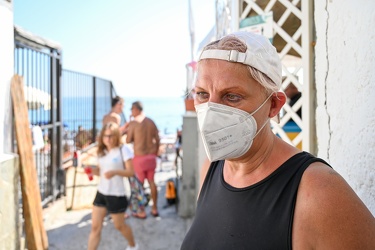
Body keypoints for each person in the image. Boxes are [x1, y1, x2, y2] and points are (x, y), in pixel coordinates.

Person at [180, 31, 375, 249]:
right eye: (202, 95)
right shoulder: (212, 169)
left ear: (273, 105)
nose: (211, 111)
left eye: (232, 97)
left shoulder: (317, 191)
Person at [87, 122, 138, 250]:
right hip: (102, 192)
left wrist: (115, 172)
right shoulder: (101, 151)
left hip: (117, 194)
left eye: (110, 136)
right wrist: (92, 171)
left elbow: (130, 172)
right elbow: (101, 171)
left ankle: (133, 246)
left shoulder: (123, 150)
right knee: (95, 227)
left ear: (116, 136)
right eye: (105, 136)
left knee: (119, 225)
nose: (108, 139)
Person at [126, 101, 160, 218]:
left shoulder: (134, 123)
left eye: (131, 109)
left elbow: (128, 140)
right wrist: (155, 153)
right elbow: (157, 138)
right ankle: (154, 208)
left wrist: (130, 123)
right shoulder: (151, 121)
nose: (131, 112)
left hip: (139, 158)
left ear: (136, 109)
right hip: (151, 157)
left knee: (139, 185)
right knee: (152, 182)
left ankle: (141, 211)